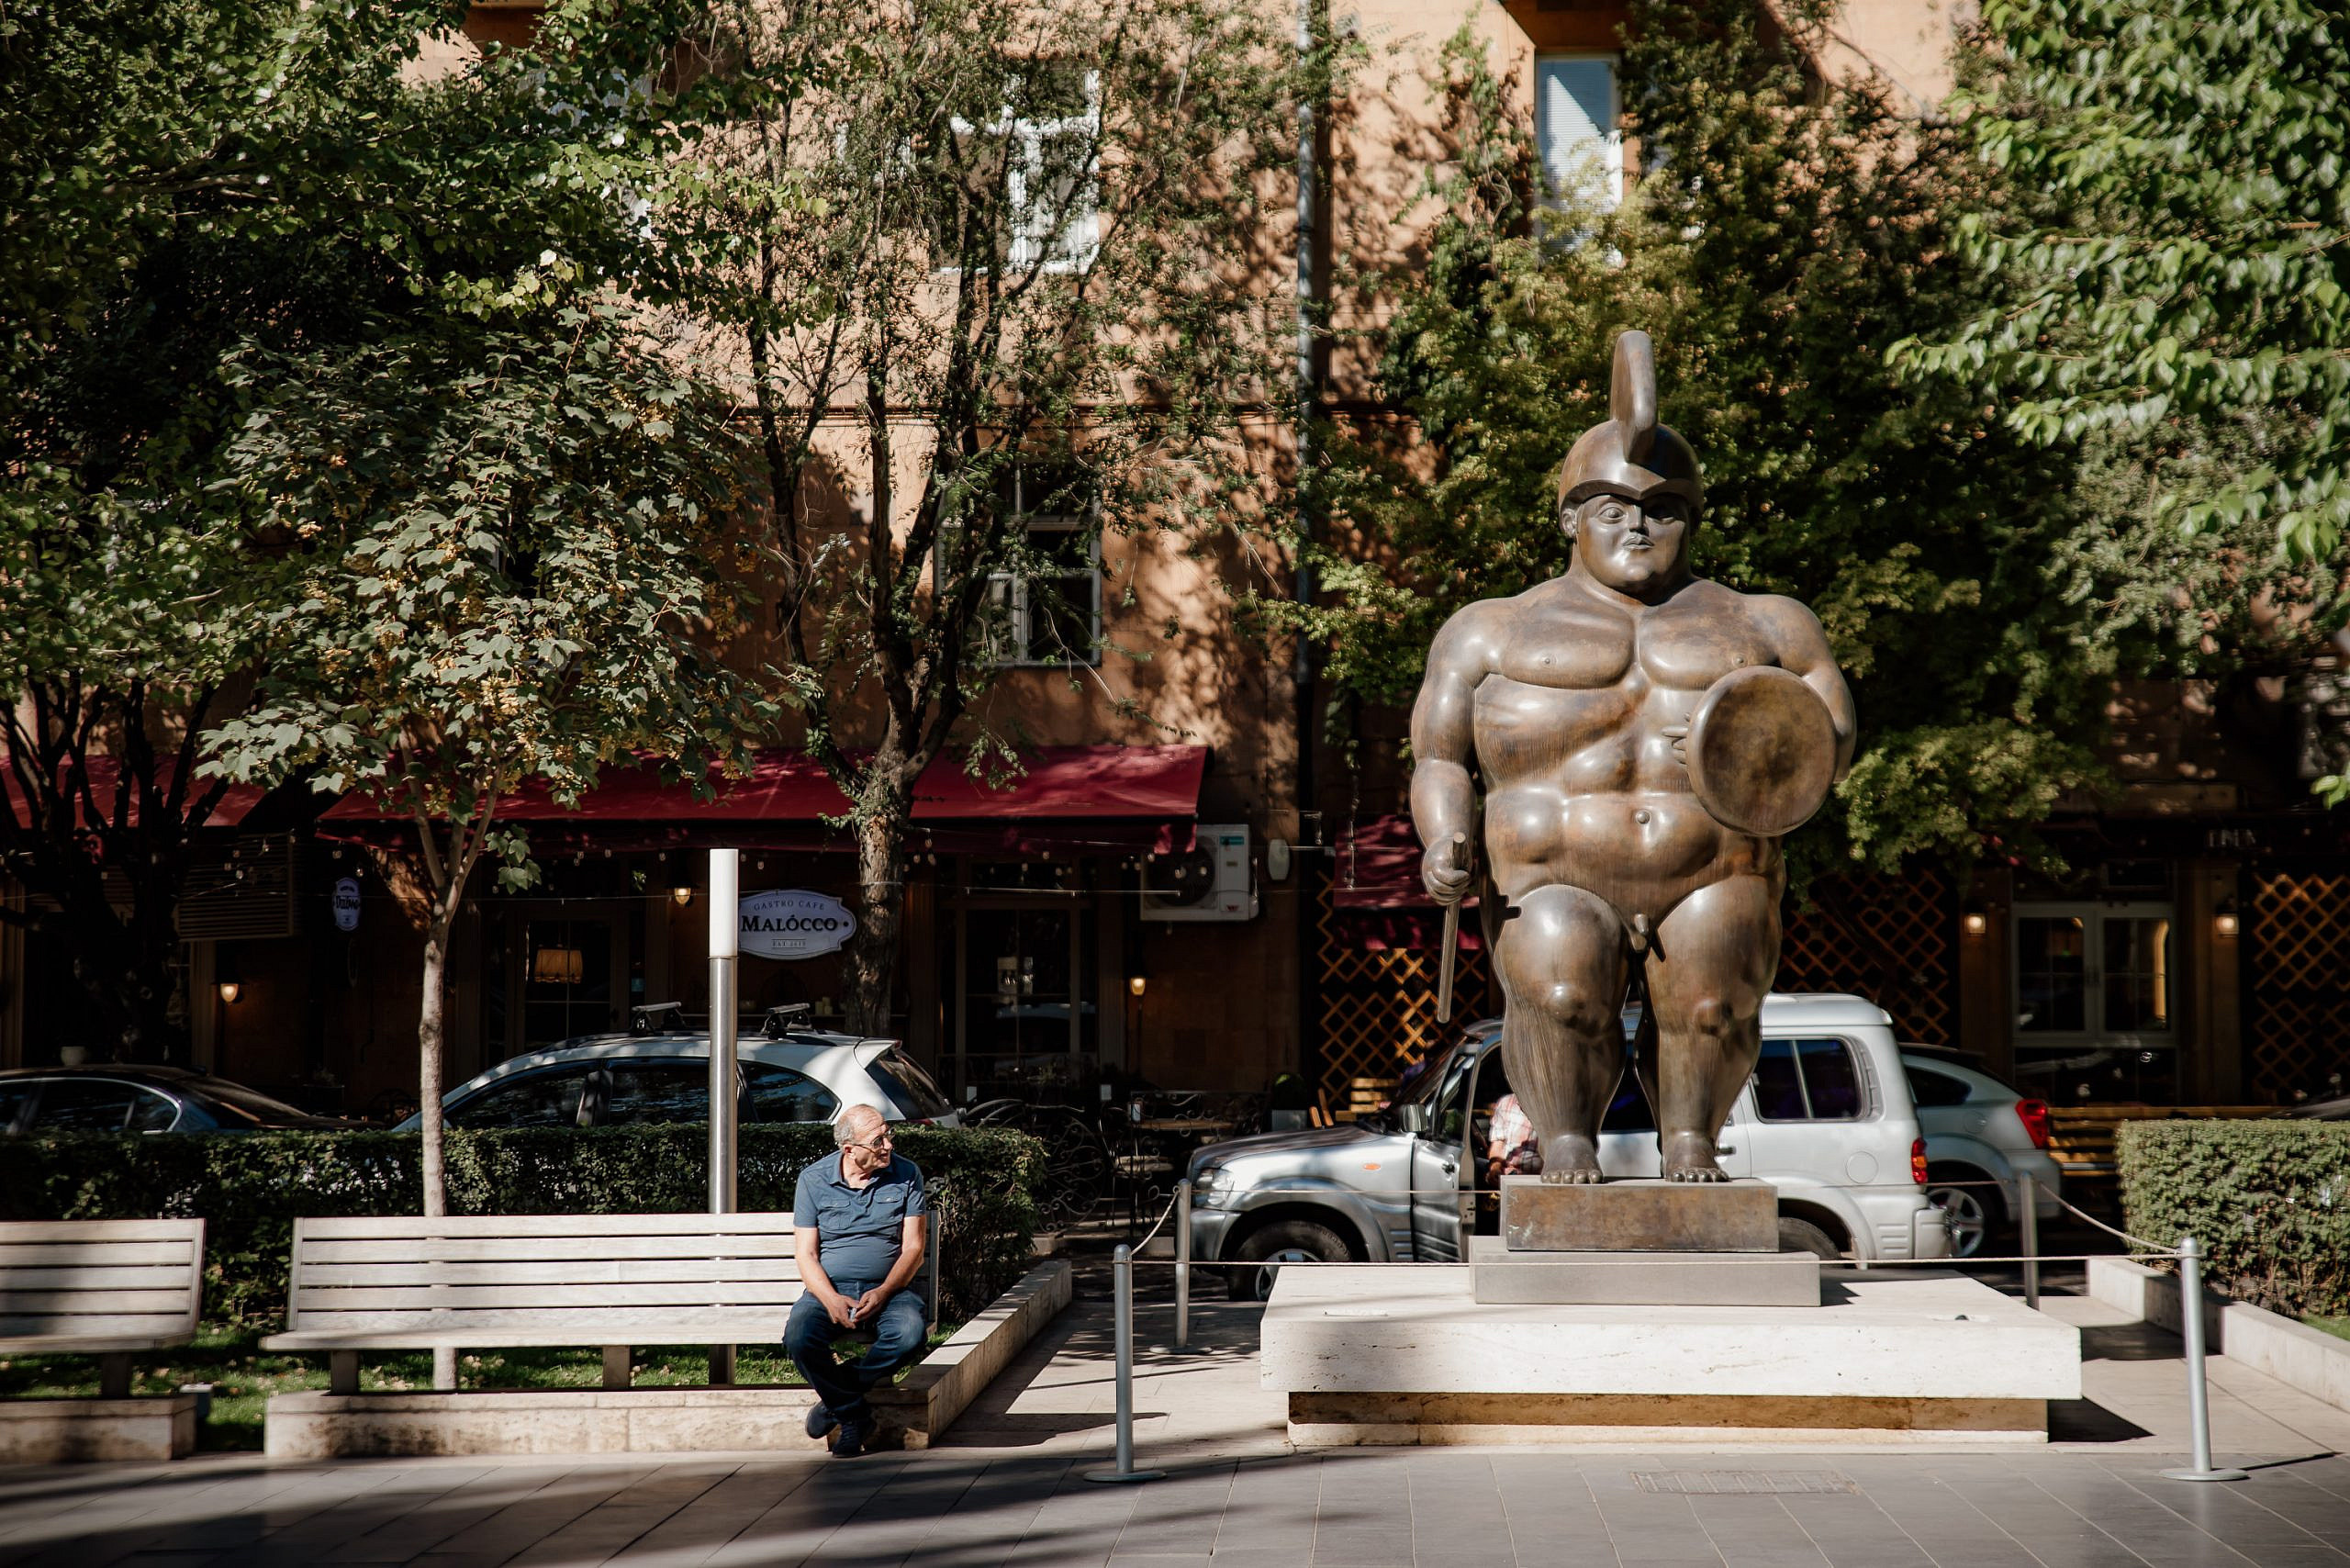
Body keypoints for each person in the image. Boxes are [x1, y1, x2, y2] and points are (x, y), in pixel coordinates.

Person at [1411, 330, 1855, 1183]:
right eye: (1613, 510)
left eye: (1662, 510)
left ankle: (1692, 1142)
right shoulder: (1491, 628)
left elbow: (1829, 740)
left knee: (1714, 1004)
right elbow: (1438, 756)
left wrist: (1752, 744)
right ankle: (1566, 1141)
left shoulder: (1766, 623)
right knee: (1563, 992)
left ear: (1691, 521)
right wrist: (1442, 839)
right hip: (1550, 874)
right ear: (1570, 520)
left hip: (1716, 867)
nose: (1639, 527)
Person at [787, 1103, 930, 1457]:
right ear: (849, 1149)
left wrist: (884, 1292)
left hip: (891, 1291)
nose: (888, 1145)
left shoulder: (907, 1174)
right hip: (830, 1291)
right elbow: (806, 1255)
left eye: (888, 1135)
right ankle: (852, 1414)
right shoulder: (814, 1180)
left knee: (910, 1334)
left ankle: (836, 1400)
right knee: (799, 1337)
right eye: (878, 1141)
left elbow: (913, 1249)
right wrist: (831, 1299)